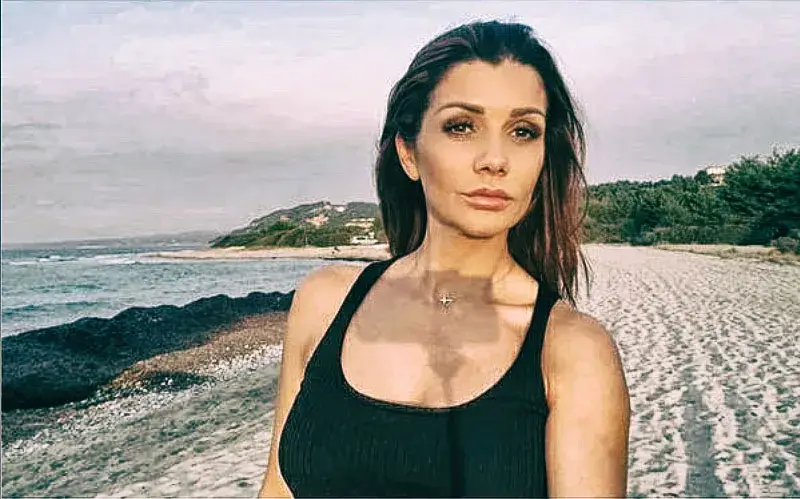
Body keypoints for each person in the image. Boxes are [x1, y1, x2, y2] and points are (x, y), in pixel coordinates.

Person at [259, 20, 630, 498]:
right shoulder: (324, 301)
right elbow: (278, 489)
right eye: (462, 127)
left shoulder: (573, 350)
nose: (495, 159)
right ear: (408, 153)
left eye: (522, 131)